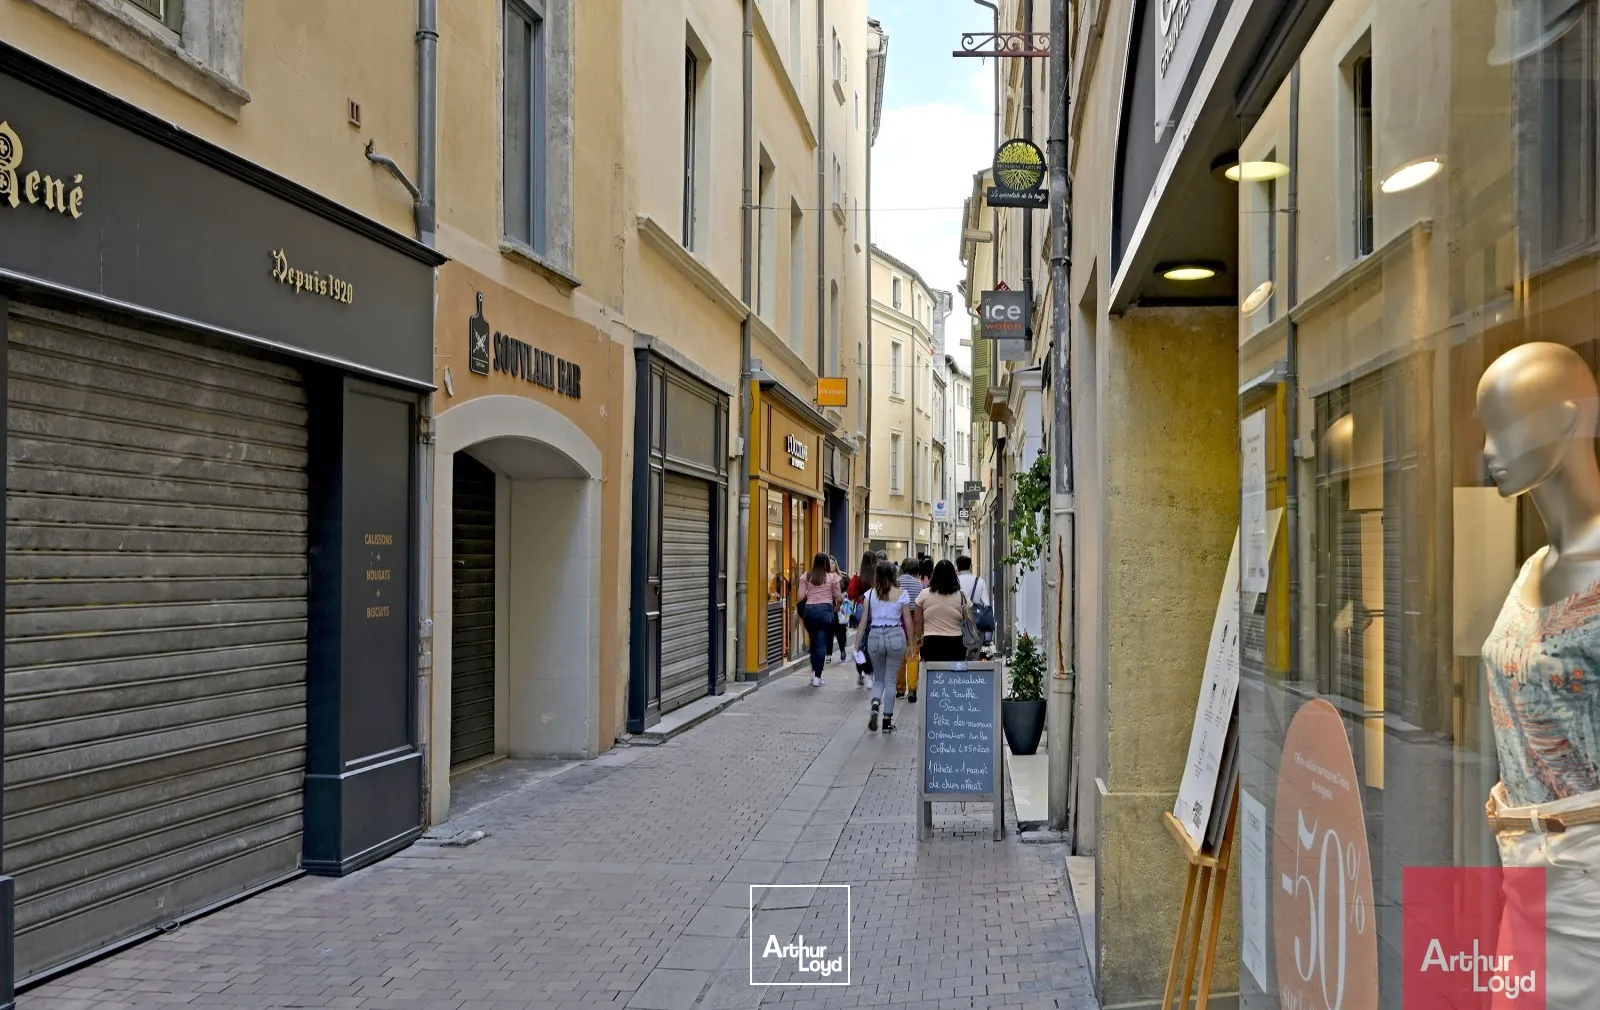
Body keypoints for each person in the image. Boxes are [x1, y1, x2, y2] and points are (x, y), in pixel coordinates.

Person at [856, 560, 911, 733]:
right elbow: (908, 621)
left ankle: (875, 705)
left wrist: (857, 646)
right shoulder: (902, 594)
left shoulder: (870, 594)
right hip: (895, 635)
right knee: (891, 680)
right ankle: (887, 721)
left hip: (875, 636)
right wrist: (911, 642)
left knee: (878, 678)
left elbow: (863, 623)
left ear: (877, 575)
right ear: (894, 574)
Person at [798, 552, 842, 687]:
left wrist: (810, 592)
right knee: (821, 644)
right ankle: (817, 677)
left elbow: (800, 597)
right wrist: (836, 608)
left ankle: (813, 673)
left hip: (809, 611)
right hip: (825, 611)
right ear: (827, 563)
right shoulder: (832, 577)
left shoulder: (806, 576)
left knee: (813, 642)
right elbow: (839, 598)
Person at [918, 560, 975, 661]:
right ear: (954, 576)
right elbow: (970, 620)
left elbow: (917, 620)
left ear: (934, 575)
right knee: (953, 670)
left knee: (931, 670)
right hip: (955, 642)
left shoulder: (923, 594)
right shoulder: (962, 596)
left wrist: (917, 637)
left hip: (930, 642)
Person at [897, 557, 925, 702]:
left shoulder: (896, 583)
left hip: (898, 621)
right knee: (913, 655)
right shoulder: (919, 585)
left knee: (899, 656)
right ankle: (912, 689)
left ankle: (900, 689)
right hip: (914, 622)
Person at [847, 552, 876, 686]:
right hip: (874, 607)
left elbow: (851, 594)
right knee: (871, 643)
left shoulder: (859, 575)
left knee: (861, 641)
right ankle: (871, 675)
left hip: (860, 606)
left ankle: (861, 673)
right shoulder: (876, 575)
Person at [956, 555, 993, 650]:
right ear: (970, 566)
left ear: (957, 567)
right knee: (974, 653)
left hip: (957, 622)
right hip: (976, 624)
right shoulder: (979, 581)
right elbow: (986, 604)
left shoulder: (954, 581)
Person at [829, 556, 851, 663]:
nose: (830, 565)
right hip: (829, 608)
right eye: (828, 563)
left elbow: (850, 589)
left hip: (842, 608)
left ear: (836, 564)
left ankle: (842, 650)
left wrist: (845, 593)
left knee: (841, 631)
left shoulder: (844, 577)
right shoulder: (823, 578)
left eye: (832, 562)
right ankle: (827, 654)